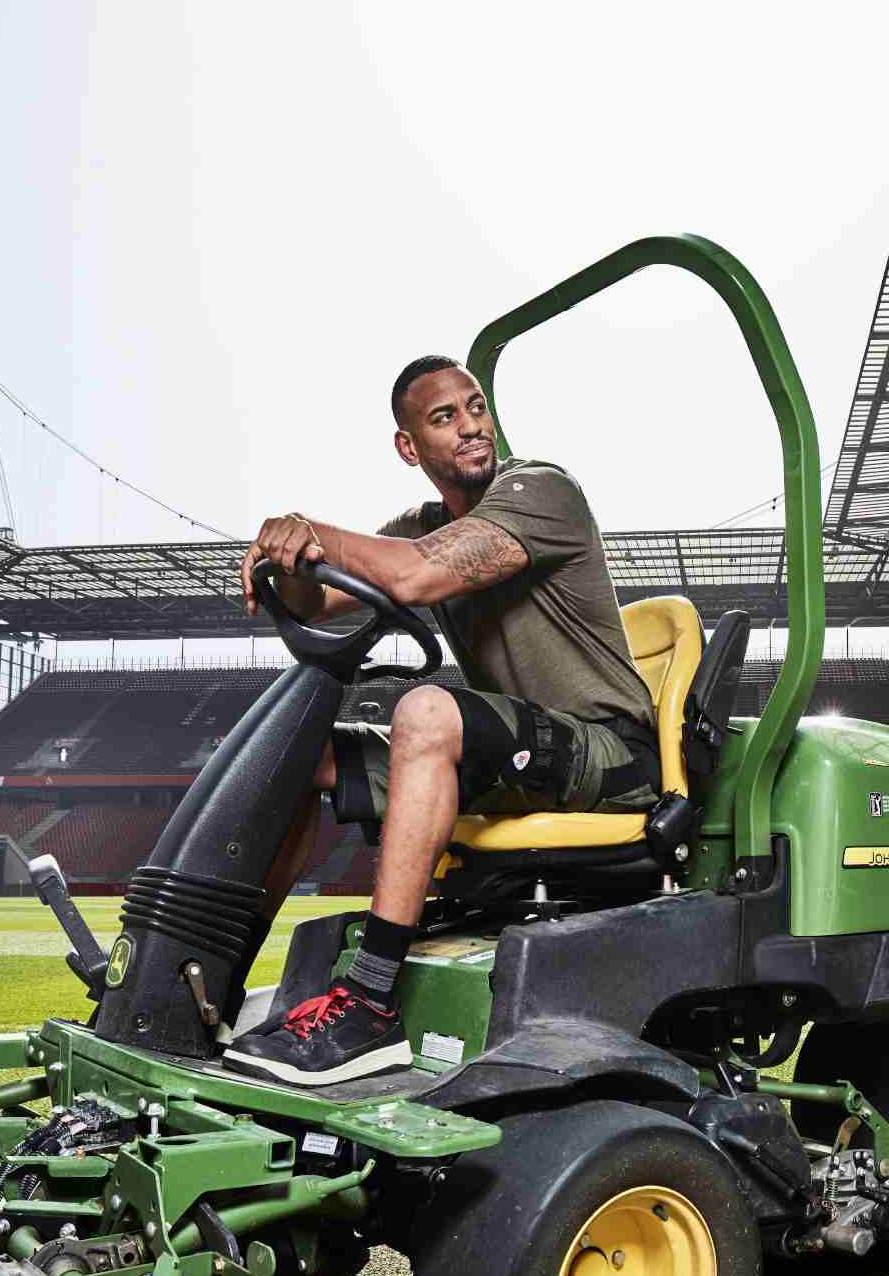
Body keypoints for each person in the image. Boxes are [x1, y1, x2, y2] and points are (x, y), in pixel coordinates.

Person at [221, 355, 660, 1086]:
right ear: (408, 446)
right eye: (445, 417)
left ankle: (368, 1003)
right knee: (307, 755)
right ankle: (214, 981)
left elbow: (417, 573)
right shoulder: (421, 524)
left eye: (476, 406)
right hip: (520, 757)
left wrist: (310, 529)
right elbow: (318, 602)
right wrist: (287, 561)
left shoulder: (540, 490)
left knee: (427, 709)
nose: (472, 426)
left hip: (609, 750)